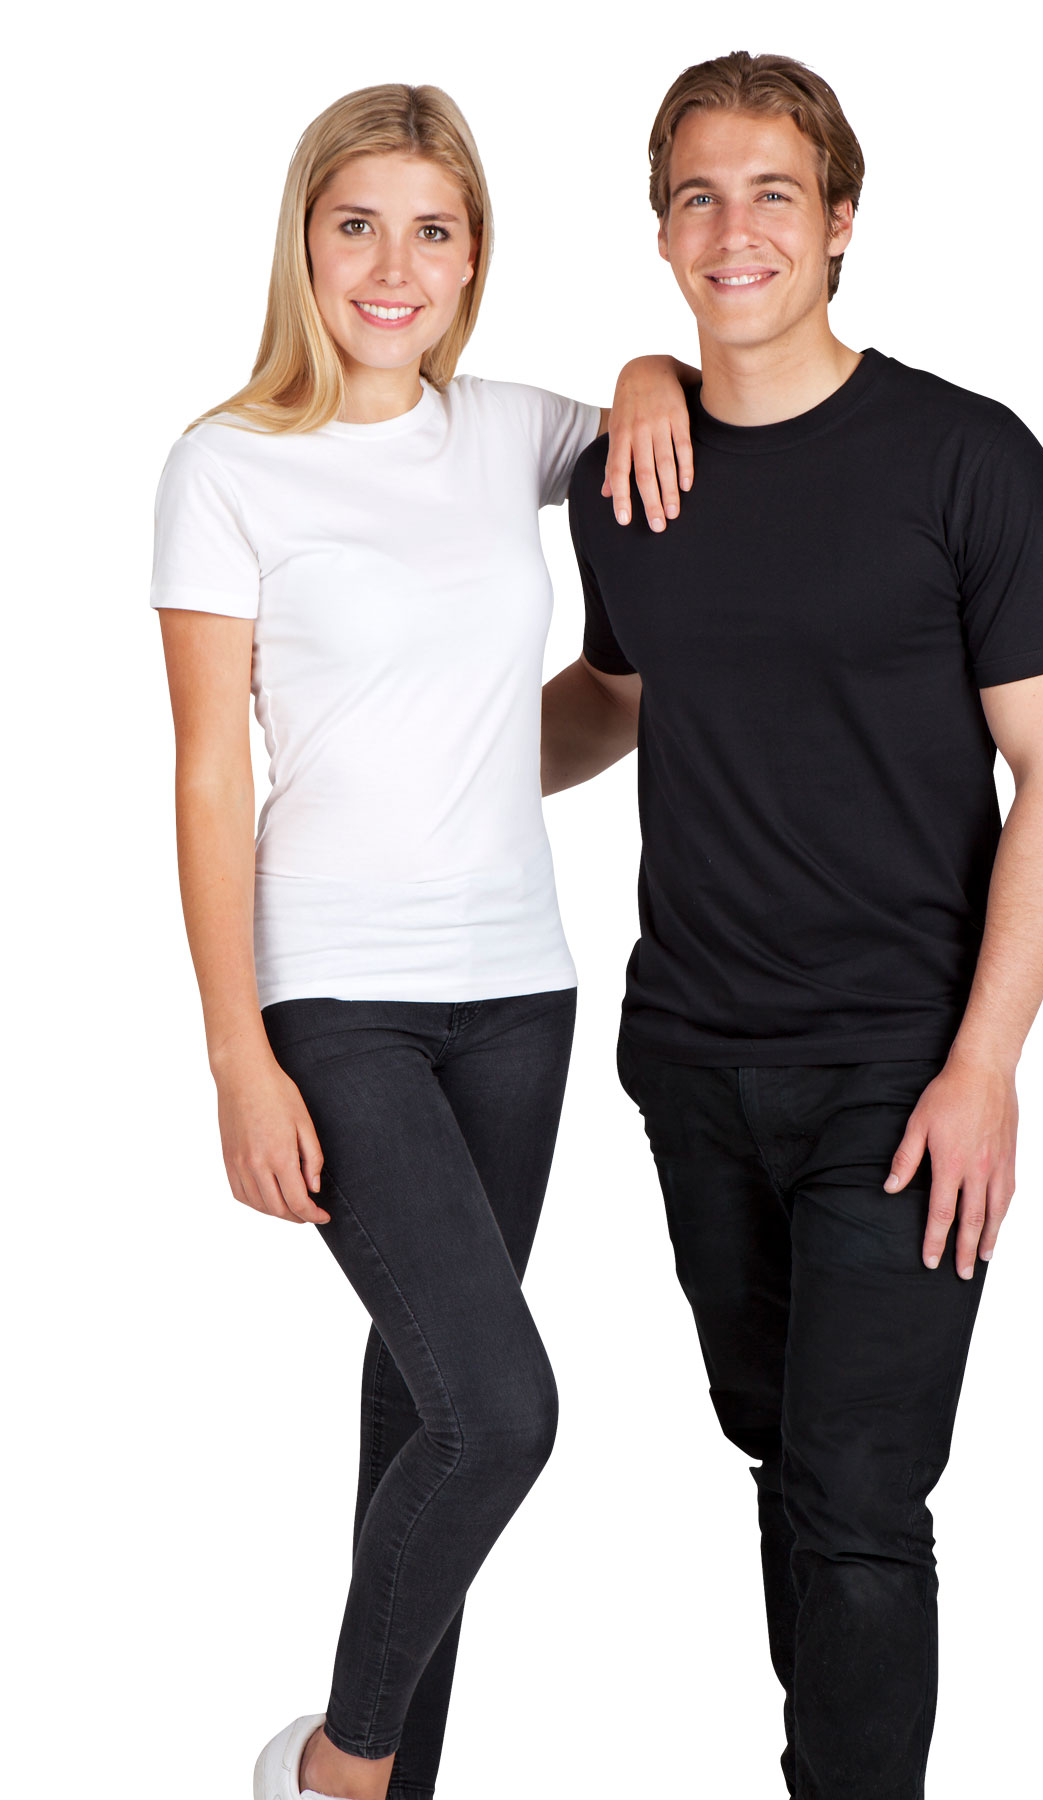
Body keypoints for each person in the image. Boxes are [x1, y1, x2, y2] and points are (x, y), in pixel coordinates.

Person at [543, 49, 1043, 1800]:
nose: (737, 230)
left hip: (901, 1070)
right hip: (692, 1061)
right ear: (661, 233)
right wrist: (402, 757)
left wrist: (986, 1065)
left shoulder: (966, 458)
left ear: (842, 220)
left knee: (859, 1494)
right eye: (699, 197)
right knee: (784, 1459)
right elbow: (614, 697)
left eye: (775, 193)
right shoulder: (628, 475)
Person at [151, 83, 692, 1800]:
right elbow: (210, 771)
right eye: (359, 226)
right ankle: (339, 1762)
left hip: (518, 992)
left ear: (473, 257)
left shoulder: (505, 430)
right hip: (337, 997)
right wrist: (238, 1057)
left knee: (426, 1413)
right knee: (500, 1413)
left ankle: (386, 1784)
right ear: (305, 242)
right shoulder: (224, 466)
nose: (395, 267)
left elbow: (655, 431)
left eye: (434, 231)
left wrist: (651, 370)